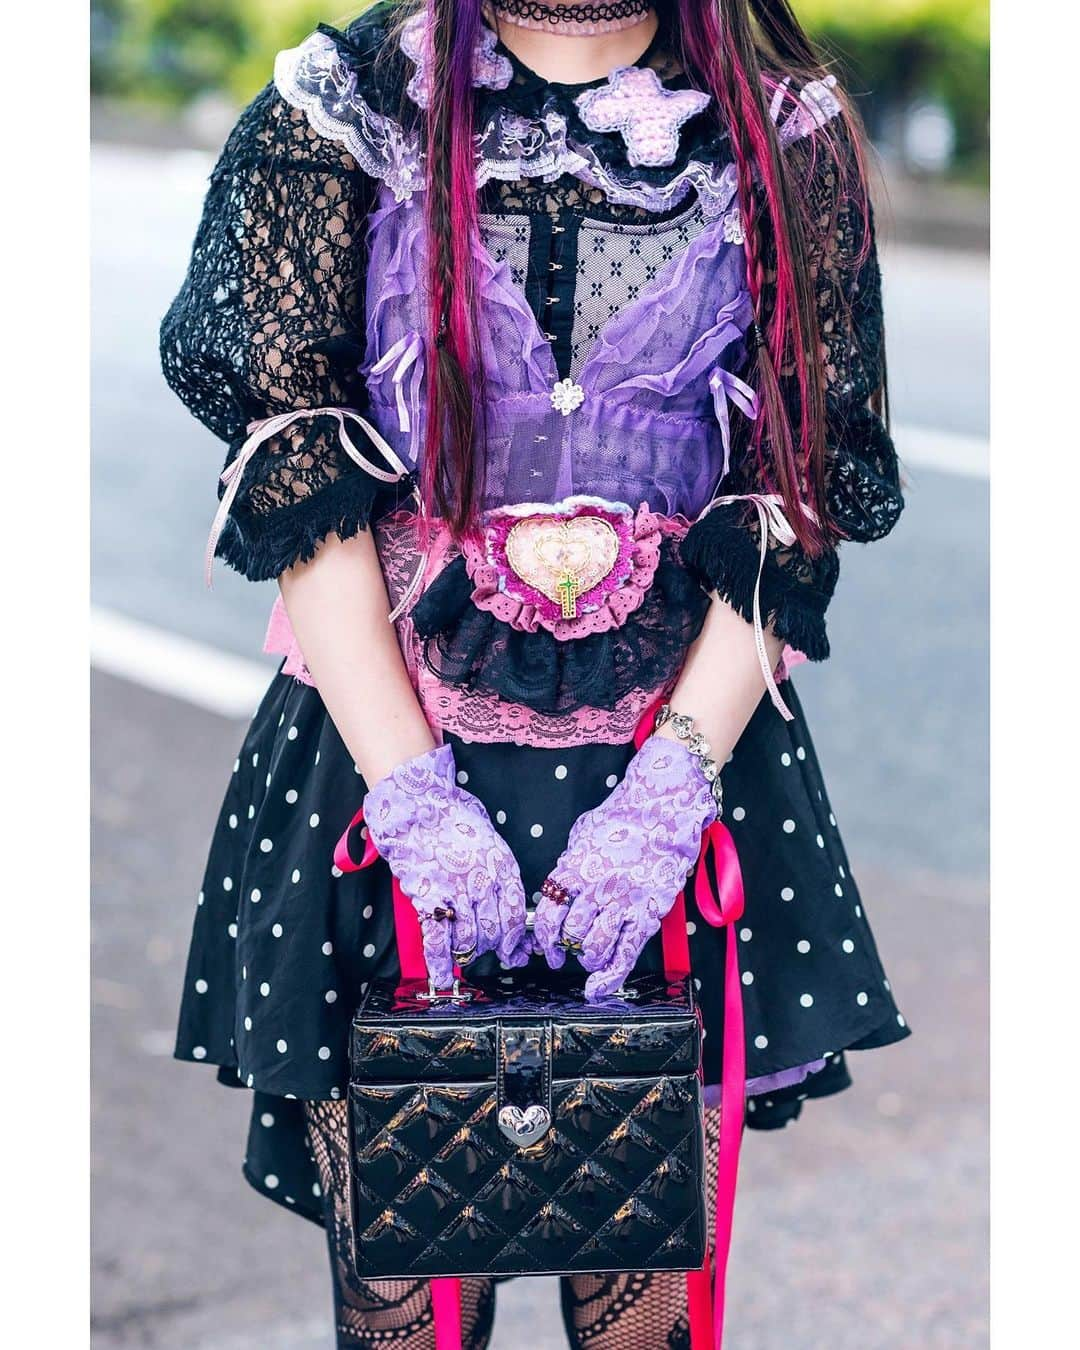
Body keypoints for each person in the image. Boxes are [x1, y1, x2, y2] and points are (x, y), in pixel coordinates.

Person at [162, 1, 910, 1344]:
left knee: (644, 1309)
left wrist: (669, 790)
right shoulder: (341, 112)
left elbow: (794, 485)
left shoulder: (783, 129)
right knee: (405, 1304)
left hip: (676, 764)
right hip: (384, 766)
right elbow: (292, 460)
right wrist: (413, 800)